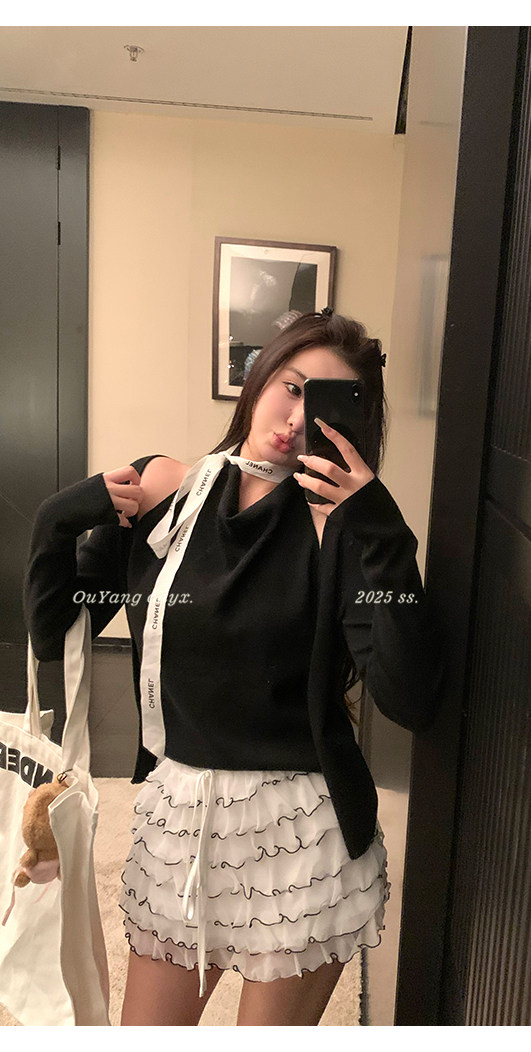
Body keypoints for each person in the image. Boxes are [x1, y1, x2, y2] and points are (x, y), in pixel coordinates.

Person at [23, 309, 444, 1026]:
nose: (296, 419)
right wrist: (58, 519)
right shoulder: (164, 493)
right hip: (178, 824)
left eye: (322, 407)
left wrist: (382, 533)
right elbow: (55, 633)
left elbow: (410, 697)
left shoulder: (339, 529)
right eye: (291, 386)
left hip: (301, 837)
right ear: (259, 377)